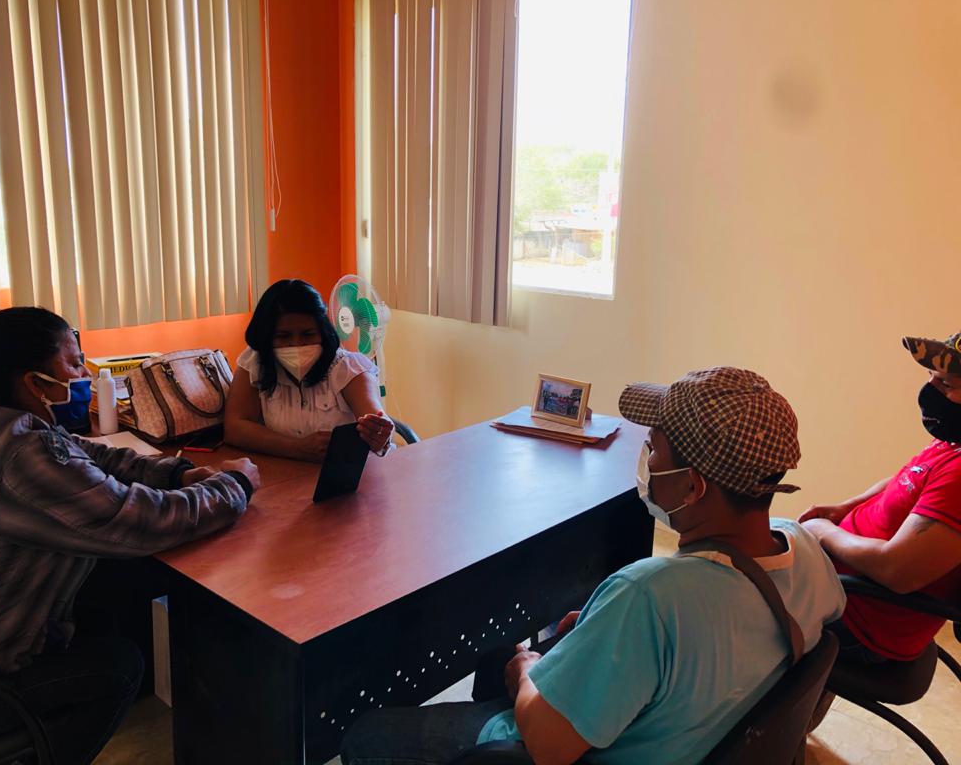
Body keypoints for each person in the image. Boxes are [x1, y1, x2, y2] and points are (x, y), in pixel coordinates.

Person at [341, 367, 845, 765]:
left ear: (693, 486)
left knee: (367, 734)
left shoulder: (649, 595)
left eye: (654, 449)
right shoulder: (804, 548)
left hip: (564, 747)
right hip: (690, 730)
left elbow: (548, 745)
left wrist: (527, 669)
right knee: (499, 655)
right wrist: (602, 631)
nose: (646, 459)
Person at [0, 307, 260, 764]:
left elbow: (92, 456)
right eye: (73, 364)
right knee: (119, 665)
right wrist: (235, 485)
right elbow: (139, 521)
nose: (84, 373)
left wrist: (178, 473)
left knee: (117, 586)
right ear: (33, 382)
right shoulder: (22, 455)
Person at [800, 331, 961, 664]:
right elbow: (909, 477)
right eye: (931, 376)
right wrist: (847, 507)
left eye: (946, 384)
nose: (930, 390)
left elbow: (897, 571)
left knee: (727, 602)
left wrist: (824, 533)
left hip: (859, 622)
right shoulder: (951, 441)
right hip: (843, 590)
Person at [225, 279, 395, 461]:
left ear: (323, 331)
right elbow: (235, 428)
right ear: (267, 336)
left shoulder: (349, 368)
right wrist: (297, 448)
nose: (296, 344)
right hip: (283, 472)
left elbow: (375, 418)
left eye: (308, 334)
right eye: (283, 336)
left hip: (348, 472)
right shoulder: (256, 362)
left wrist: (379, 435)